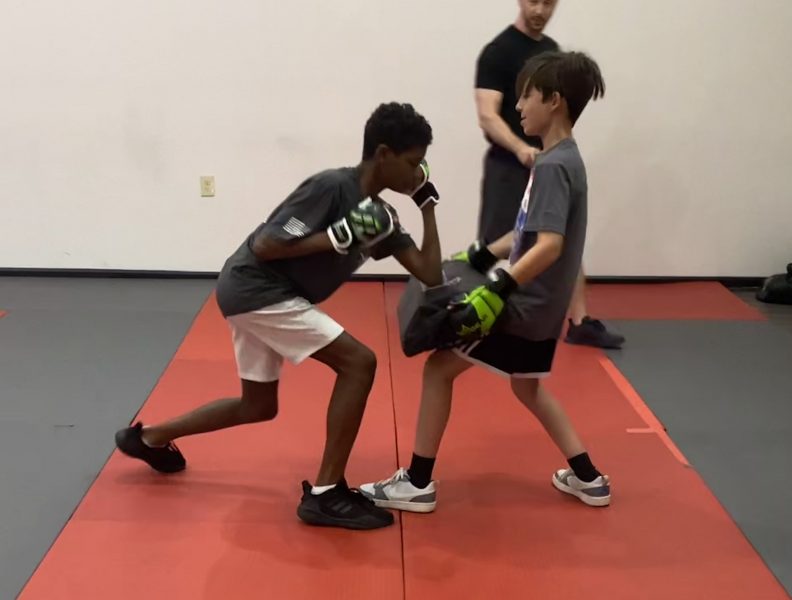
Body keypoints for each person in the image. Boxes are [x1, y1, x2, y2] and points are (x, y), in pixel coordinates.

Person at [114, 102, 445, 531]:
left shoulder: (380, 217)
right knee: (359, 362)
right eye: (412, 163)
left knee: (257, 405)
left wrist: (427, 204)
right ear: (383, 154)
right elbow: (267, 245)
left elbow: (429, 273)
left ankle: (149, 438)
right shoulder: (332, 187)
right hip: (257, 286)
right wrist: (336, 237)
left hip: (261, 293)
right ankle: (326, 493)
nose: (417, 172)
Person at [360, 51, 611, 513]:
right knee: (527, 387)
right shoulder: (565, 159)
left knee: (439, 369)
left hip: (524, 310)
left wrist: (500, 287)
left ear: (554, 101)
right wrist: (484, 252)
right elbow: (530, 231)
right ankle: (589, 478)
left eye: (527, 96)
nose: (518, 106)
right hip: (545, 311)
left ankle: (417, 482)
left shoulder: (552, 167)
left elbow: (549, 245)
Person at [474, 0, 624, 349]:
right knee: (506, 242)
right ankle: (483, 303)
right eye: (534, 1)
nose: (540, 10)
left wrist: (502, 287)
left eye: (548, 2)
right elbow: (488, 114)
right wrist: (519, 148)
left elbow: (553, 247)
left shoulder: (552, 55)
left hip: (544, 162)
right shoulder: (498, 52)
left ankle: (576, 318)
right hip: (509, 165)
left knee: (553, 236)